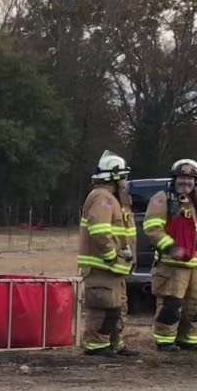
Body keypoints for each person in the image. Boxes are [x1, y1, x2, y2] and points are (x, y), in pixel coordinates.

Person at [141, 159, 197, 351]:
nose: (185, 182)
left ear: (196, 181)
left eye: (190, 178)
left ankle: (189, 340)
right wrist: (171, 248)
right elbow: (152, 227)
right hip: (172, 264)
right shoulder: (162, 198)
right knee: (171, 303)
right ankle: (165, 341)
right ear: (174, 179)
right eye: (182, 178)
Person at [77, 151, 137, 356]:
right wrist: (112, 256)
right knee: (102, 307)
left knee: (116, 306)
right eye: (124, 176)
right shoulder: (103, 198)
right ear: (114, 176)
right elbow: (100, 231)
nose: (126, 181)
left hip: (114, 268)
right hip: (102, 266)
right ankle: (96, 345)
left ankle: (114, 344)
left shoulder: (113, 199)